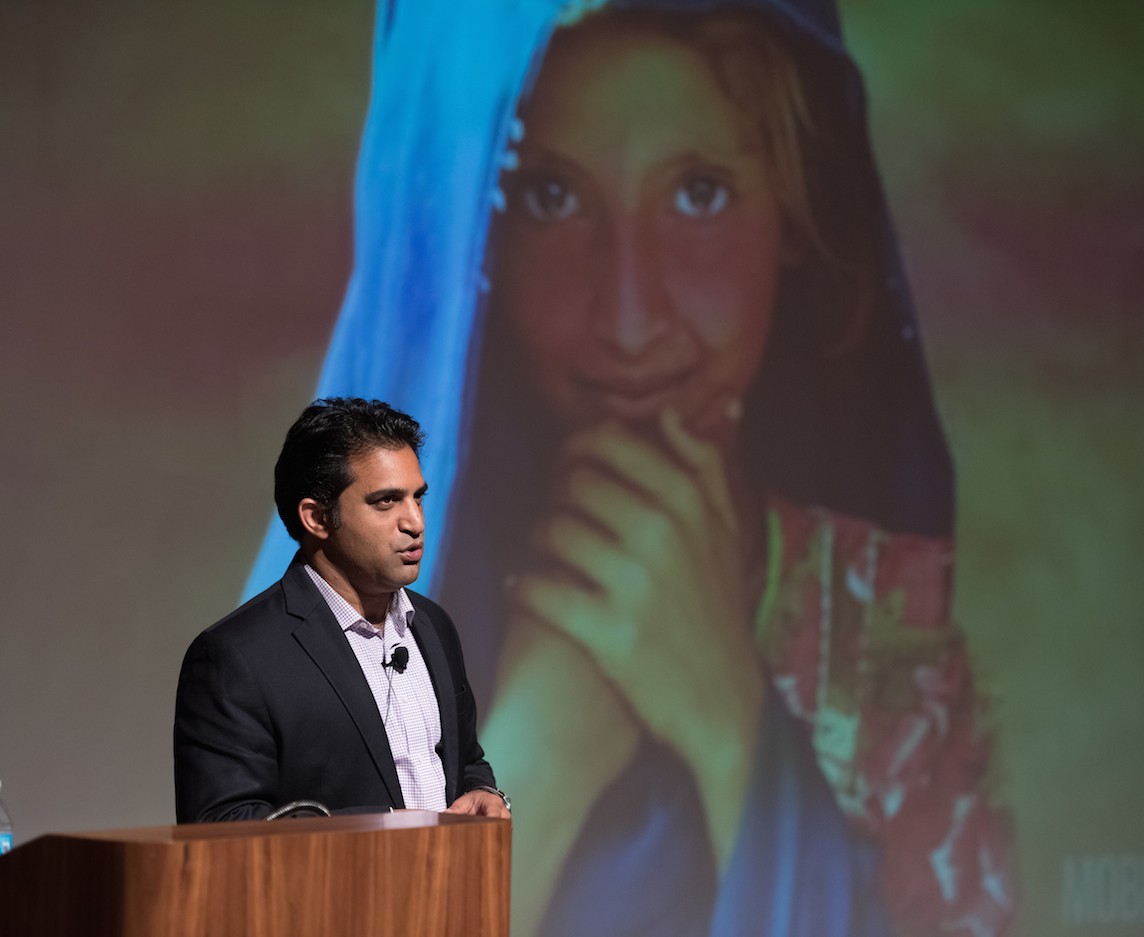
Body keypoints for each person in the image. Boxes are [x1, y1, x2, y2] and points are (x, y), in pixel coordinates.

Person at [246, 1, 1013, 935]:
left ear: (793, 206)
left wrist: (731, 725)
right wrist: (546, 750)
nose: (629, 318)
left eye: (699, 194)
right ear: (461, 233)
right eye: (550, 197)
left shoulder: (879, 638)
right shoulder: (307, 649)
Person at [175, 398, 510, 823]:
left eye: (418, 497)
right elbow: (222, 825)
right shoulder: (236, 658)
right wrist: (383, 828)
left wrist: (482, 791)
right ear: (317, 518)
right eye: (386, 501)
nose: (415, 522)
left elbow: (465, 760)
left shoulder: (434, 626)